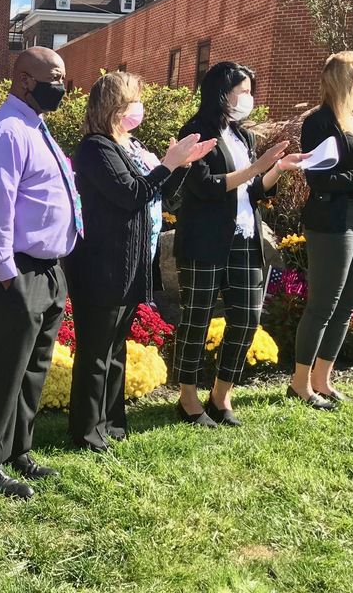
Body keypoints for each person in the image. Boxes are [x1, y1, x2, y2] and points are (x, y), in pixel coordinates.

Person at [65, 72, 215, 452]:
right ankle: (87, 432)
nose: (139, 108)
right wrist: (168, 162)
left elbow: (157, 194)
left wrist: (181, 166)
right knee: (96, 354)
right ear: (114, 106)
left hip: (132, 264)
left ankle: (112, 423)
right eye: (133, 101)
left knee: (115, 351)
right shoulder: (96, 148)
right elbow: (130, 194)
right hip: (102, 266)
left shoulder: (129, 145)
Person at [0, 46, 79, 500]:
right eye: (54, 76)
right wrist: (7, 274)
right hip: (16, 267)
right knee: (9, 368)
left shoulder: (37, 127)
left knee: (35, 366)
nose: (62, 86)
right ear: (25, 79)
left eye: (64, 77)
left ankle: (19, 450)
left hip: (47, 268)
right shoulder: (6, 132)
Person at [170, 62, 302, 427]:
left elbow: (254, 191)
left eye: (249, 91)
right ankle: (187, 399)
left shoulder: (242, 136)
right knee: (197, 318)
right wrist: (255, 167)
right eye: (242, 91)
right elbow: (205, 187)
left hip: (245, 238)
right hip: (206, 240)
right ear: (220, 92)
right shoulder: (196, 131)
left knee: (246, 318)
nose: (248, 98)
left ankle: (221, 394)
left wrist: (277, 169)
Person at [289, 51, 353, 407]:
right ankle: (300, 382)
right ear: (348, 81)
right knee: (323, 305)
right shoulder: (320, 123)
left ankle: (322, 377)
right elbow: (319, 179)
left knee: (347, 303)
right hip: (333, 221)